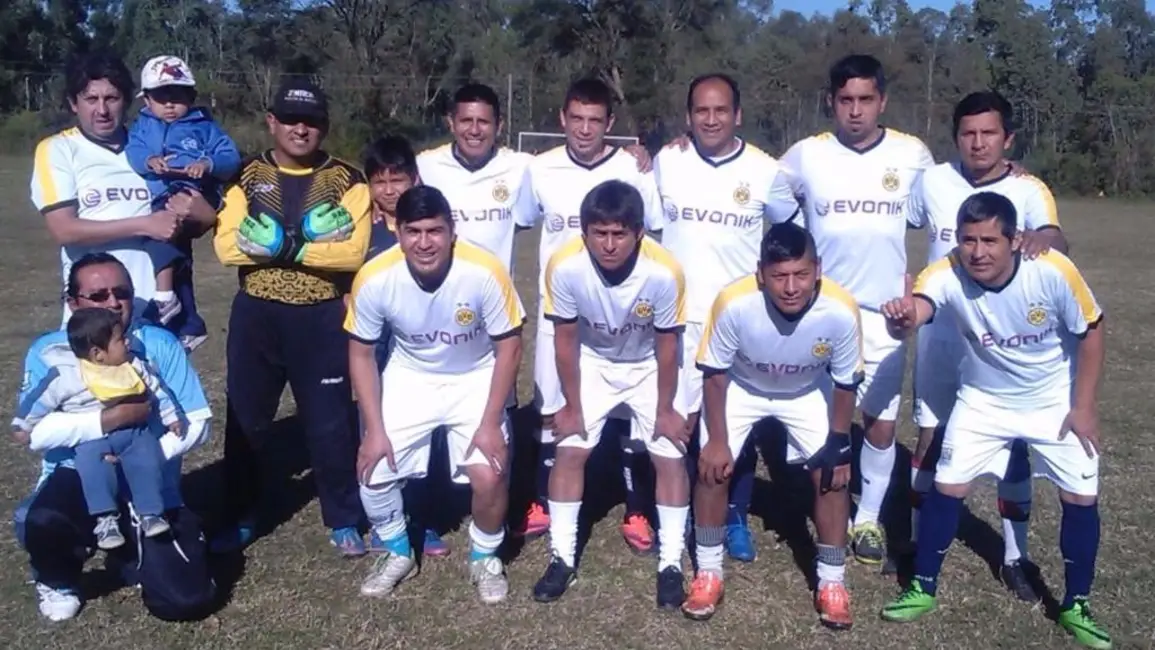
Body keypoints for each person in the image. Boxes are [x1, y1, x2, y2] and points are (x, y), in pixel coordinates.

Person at [878, 192, 1111, 650]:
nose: (977, 252)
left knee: (1080, 496)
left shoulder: (1052, 271)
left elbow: (1093, 329)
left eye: (989, 241)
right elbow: (918, 309)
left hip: (1053, 402)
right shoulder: (945, 273)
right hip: (983, 401)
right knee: (948, 485)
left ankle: (1076, 604)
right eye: (968, 240)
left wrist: (1083, 406)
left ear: (1014, 240)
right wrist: (902, 321)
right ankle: (922, 586)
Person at [905, 89, 1070, 599]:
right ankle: (916, 544)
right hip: (940, 338)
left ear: (1008, 139)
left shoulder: (1027, 188)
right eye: (968, 133)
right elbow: (894, 217)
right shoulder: (932, 181)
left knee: (1012, 449)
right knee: (930, 440)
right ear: (956, 138)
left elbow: (1057, 238)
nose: (978, 143)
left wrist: (1043, 241)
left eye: (989, 133)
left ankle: (1015, 557)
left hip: (999, 345)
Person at [778, 54, 935, 567]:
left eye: (866, 99)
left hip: (885, 314)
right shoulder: (806, 155)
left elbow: (950, 201)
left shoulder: (912, 155)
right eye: (845, 99)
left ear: (882, 101)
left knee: (880, 424)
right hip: (822, 312)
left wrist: (1010, 172)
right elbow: (759, 190)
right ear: (831, 102)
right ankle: (836, 511)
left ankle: (867, 519)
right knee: (827, 423)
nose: (855, 110)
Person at [210, 78, 371, 556]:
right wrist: (309, 243)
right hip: (256, 314)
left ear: (325, 126)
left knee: (330, 421)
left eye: (312, 122)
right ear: (272, 122)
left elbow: (352, 253)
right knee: (246, 419)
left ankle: (343, 516)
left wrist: (282, 247)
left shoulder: (349, 179)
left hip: (320, 316)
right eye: (291, 120)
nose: (301, 129)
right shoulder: (245, 174)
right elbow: (227, 247)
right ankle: (240, 514)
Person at [13, 253, 215, 623]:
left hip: (149, 474)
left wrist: (144, 455)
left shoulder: (157, 344)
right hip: (78, 471)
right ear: (73, 302)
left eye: (122, 293)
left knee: (186, 600)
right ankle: (58, 580)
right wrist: (110, 421)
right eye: (98, 295)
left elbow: (198, 422)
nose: (112, 302)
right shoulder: (50, 352)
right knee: (40, 520)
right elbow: (37, 433)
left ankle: (131, 550)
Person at [346, 185, 525, 603]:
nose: (424, 243)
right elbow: (361, 354)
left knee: (490, 472)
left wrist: (490, 423)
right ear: (398, 231)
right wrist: (373, 430)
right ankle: (396, 551)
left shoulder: (484, 269)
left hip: (475, 374)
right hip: (411, 374)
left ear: (452, 231)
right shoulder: (375, 276)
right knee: (373, 468)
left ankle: (485, 557)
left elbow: (510, 347)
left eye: (434, 231)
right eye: (413, 232)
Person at [683, 222, 861, 628]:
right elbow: (715, 373)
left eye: (802, 274)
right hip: (742, 387)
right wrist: (717, 441)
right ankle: (708, 572)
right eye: (780, 276)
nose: (792, 287)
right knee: (713, 469)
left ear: (818, 269)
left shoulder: (840, 309)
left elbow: (846, 382)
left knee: (832, 476)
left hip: (806, 390)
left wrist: (839, 442)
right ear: (760, 274)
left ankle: (832, 582)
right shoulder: (734, 302)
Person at [520, 78, 666, 553]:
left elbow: (654, 230)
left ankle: (637, 506)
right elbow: (521, 220)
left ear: (610, 123)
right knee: (551, 407)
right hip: (558, 313)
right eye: (577, 119)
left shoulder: (633, 167)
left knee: (628, 411)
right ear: (562, 118)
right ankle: (542, 499)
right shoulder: (539, 169)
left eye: (595, 120)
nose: (585, 129)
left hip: (619, 315)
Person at [657, 72, 800, 561]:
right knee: (681, 422)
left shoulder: (764, 170)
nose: (711, 119)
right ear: (688, 116)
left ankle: (734, 514)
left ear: (738, 115)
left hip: (738, 321)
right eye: (701, 110)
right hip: (677, 318)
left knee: (732, 427)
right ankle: (679, 511)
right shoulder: (668, 161)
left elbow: (791, 233)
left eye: (721, 110)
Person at [532, 180, 690, 609]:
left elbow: (667, 347)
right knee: (569, 451)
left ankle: (671, 563)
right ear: (584, 232)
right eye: (599, 233)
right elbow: (565, 339)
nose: (608, 244)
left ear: (639, 232)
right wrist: (572, 405)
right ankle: (562, 558)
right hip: (594, 360)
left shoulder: (664, 271)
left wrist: (665, 409)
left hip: (648, 364)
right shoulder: (565, 266)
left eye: (619, 233)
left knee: (670, 456)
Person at [29, 51, 217, 351]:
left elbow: (195, 222)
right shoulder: (58, 150)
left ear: (127, 101)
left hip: (163, 317)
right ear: (74, 103)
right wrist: (144, 225)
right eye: (91, 99)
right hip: (95, 321)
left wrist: (204, 215)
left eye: (112, 98)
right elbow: (64, 229)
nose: (102, 110)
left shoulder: (153, 149)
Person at [14, 307, 184, 549]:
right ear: (97, 353)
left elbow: (157, 391)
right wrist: (23, 424)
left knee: (147, 460)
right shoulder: (67, 376)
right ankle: (105, 519)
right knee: (92, 468)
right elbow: (40, 400)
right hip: (92, 437)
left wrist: (171, 417)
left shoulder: (133, 366)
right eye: (120, 340)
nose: (128, 342)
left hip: (133, 433)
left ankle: (151, 513)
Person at [361, 135, 452, 558]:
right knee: (374, 426)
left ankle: (423, 518)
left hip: (417, 343)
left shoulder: (426, 222)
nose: (389, 189)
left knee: (424, 434)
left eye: (397, 179)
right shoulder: (358, 226)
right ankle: (385, 519)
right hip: (370, 340)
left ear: (414, 179)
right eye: (379, 181)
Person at [125, 54, 241, 341]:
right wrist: (149, 160)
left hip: (194, 193)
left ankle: (164, 297)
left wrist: (207, 164)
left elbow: (230, 157)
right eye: (161, 97)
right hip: (163, 194)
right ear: (146, 100)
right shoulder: (143, 126)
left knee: (158, 234)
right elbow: (133, 150)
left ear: (191, 97)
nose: (169, 104)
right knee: (179, 259)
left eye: (177, 97)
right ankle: (190, 323)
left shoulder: (204, 126)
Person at [415, 83, 538, 271]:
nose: (474, 130)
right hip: (442, 287)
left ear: (499, 126)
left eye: (483, 122)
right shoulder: (425, 165)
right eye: (466, 121)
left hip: (496, 288)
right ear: (451, 123)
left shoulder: (523, 167)